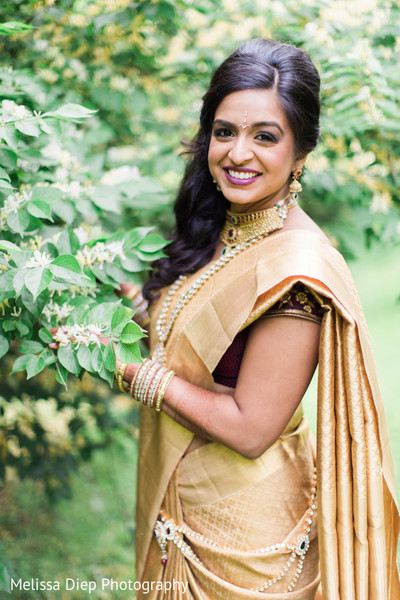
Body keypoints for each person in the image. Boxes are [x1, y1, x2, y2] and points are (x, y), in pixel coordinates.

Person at [116, 39, 400, 599]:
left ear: (301, 153)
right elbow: (206, 346)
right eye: (225, 131)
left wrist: (128, 367)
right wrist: (133, 307)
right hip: (181, 512)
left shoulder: (295, 268)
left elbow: (250, 428)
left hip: (246, 544)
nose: (237, 153)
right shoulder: (227, 225)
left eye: (264, 136)